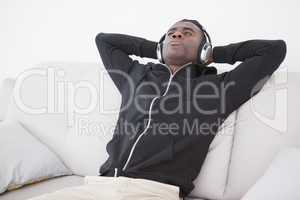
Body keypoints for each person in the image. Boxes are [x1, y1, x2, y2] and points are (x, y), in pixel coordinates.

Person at [28, 19, 286, 200]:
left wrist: (214, 53)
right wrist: (155, 49)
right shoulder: (135, 75)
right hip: (97, 186)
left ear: (203, 48)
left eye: (188, 32)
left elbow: (273, 50)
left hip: (154, 193)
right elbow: (105, 41)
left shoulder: (219, 88)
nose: (177, 34)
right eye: (171, 32)